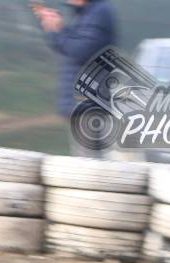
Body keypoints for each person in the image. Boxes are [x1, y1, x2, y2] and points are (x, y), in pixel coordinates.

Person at [32, 0, 117, 156]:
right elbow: (73, 44)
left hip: (88, 104)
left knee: (88, 164)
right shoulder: (89, 13)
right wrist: (57, 26)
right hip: (83, 103)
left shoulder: (99, 12)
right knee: (85, 161)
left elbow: (80, 50)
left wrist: (57, 30)